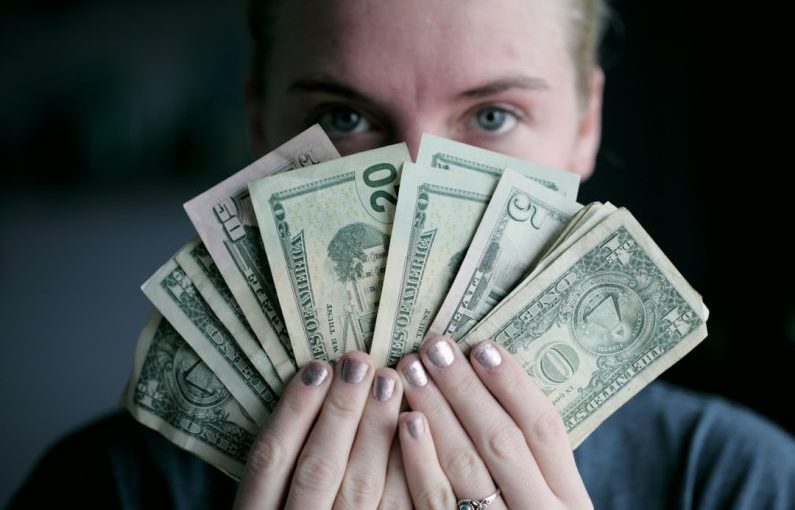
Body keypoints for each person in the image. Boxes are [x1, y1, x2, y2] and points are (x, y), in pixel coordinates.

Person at [9, 0, 795, 508]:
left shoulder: (742, 483)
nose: (415, 181)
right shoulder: (103, 490)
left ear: (586, 124)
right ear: (258, 123)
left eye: (491, 115)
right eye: (344, 115)